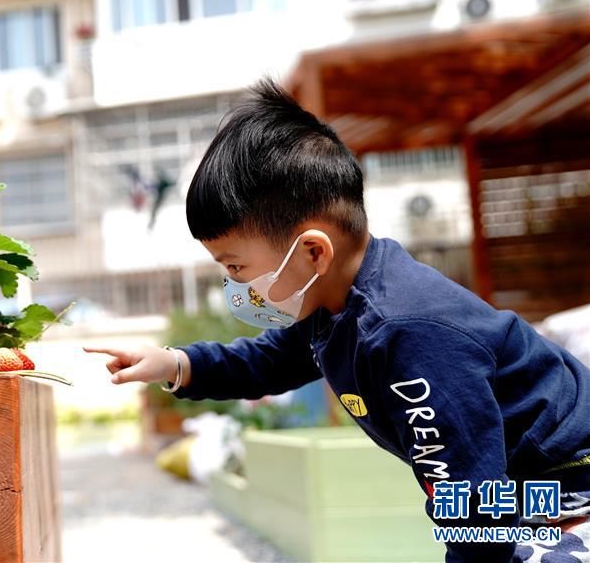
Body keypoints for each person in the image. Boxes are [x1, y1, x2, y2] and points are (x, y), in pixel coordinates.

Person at [84, 76, 590, 562]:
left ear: (311, 252)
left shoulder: (407, 332)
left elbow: (472, 502)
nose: (236, 287)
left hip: (570, 482)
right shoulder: (334, 305)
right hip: (521, 493)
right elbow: (270, 362)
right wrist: (176, 364)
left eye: (236, 267)